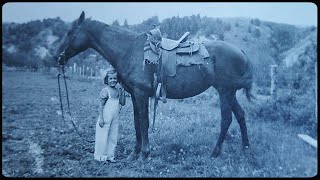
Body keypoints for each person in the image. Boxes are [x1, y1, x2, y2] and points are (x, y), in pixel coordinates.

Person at [94, 66, 125, 163]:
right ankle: (100, 156)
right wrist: (101, 119)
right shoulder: (105, 91)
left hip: (115, 117)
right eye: (110, 79)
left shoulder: (117, 91)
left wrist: (122, 92)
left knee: (113, 136)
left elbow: (123, 103)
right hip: (105, 117)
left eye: (115, 78)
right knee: (102, 136)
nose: (113, 80)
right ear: (106, 80)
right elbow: (100, 106)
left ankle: (110, 156)